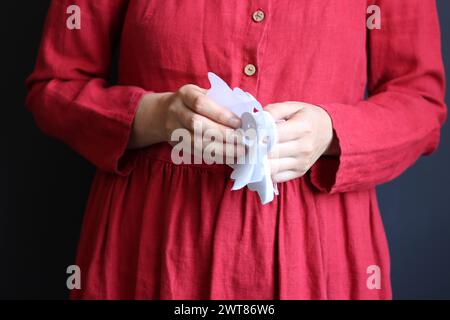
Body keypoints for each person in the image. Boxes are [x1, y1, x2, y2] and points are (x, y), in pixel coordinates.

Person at [26, 0, 446, 299]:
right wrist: (152, 116)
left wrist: (332, 131)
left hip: (320, 254)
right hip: (151, 244)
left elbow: (421, 102)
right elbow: (55, 87)